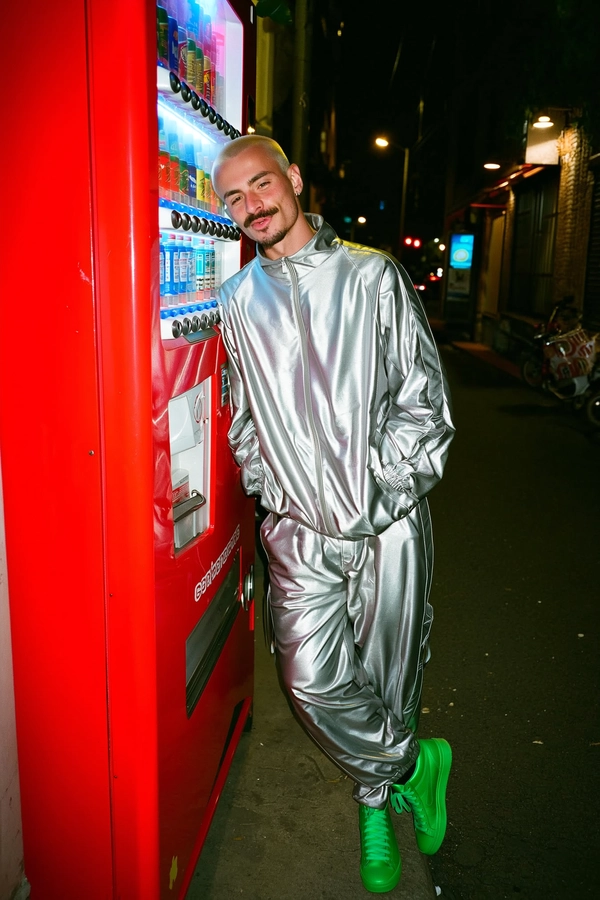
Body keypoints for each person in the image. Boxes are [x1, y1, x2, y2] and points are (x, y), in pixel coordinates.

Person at [212, 135, 455, 894]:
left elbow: (424, 405)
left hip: (386, 524)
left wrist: (377, 494)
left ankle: (374, 801)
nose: (252, 205)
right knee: (311, 680)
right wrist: (274, 491)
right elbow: (243, 419)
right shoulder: (236, 302)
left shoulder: (371, 275)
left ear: (293, 178)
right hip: (297, 532)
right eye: (234, 198)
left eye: (261, 184)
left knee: (387, 674)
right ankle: (413, 765)